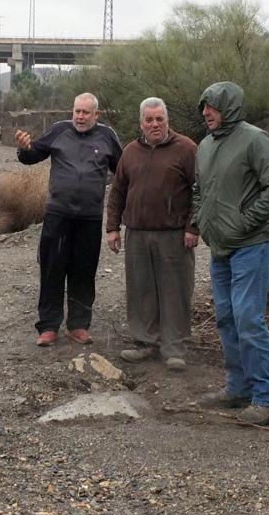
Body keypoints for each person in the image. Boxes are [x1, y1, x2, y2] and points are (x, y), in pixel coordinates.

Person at [191, 81, 269, 425]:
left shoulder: (255, 139)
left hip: (251, 244)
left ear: (229, 107)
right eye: (204, 107)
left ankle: (267, 398)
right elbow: (198, 190)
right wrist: (201, 219)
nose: (205, 113)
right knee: (226, 317)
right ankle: (238, 388)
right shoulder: (204, 145)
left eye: (211, 107)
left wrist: (245, 222)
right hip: (220, 248)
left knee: (248, 319)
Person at [15, 92, 122, 347]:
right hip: (57, 215)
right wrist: (23, 148)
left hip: (90, 218)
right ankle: (49, 326)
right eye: (77, 111)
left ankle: (78, 326)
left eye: (86, 112)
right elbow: (32, 155)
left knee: (83, 272)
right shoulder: (59, 131)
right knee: (52, 269)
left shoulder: (107, 136)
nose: (80, 117)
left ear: (97, 114)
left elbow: (124, 170)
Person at [105, 97, 199, 370]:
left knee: (175, 291)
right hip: (137, 234)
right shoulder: (130, 151)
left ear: (167, 121)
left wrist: (194, 227)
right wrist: (112, 228)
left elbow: (200, 191)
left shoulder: (186, 149)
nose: (155, 124)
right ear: (141, 123)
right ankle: (145, 342)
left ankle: (174, 348)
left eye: (160, 119)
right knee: (141, 290)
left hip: (174, 235)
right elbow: (118, 192)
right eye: (149, 120)